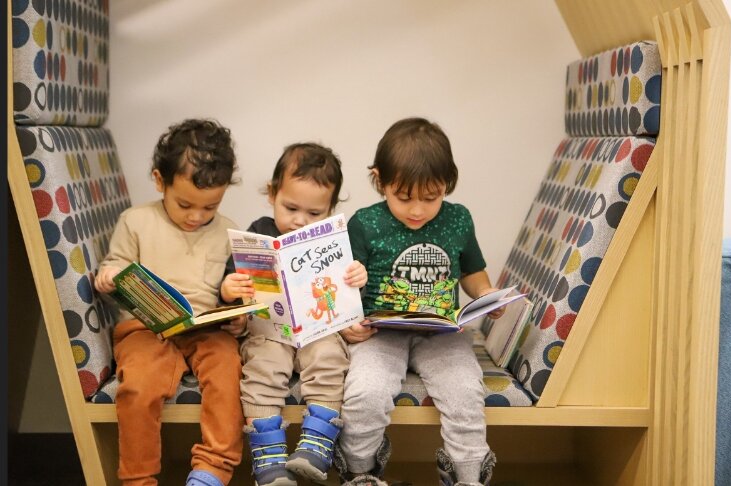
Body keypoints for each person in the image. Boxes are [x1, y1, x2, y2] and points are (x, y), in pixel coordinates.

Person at [334, 117, 503, 486]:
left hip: (442, 334)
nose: (417, 210)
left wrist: (488, 296)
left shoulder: (458, 219)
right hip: (379, 334)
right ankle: (360, 471)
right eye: (403, 197)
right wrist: (348, 323)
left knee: (465, 390)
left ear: (448, 183)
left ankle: (468, 474)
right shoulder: (365, 223)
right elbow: (344, 289)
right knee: (365, 392)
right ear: (380, 180)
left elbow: (473, 275)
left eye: (431, 197)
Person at [94, 119, 245, 486]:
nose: (197, 216)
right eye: (185, 204)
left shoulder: (227, 230)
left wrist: (237, 314)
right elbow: (113, 265)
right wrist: (109, 275)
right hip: (146, 327)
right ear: (160, 181)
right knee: (138, 387)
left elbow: (233, 291)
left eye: (210, 207)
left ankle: (213, 468)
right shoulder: (136, 221)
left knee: (229, 372)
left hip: (205, 328)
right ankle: (139, 477)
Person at [219, 143, 368, 486]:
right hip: (269, 328)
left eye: (315, 213)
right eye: (290, 207)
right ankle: (268, 459)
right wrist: (230, 290)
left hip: (319, 327)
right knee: (262, 367)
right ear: (272, 193)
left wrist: (356, 277)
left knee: (330, 357)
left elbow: (348, 295)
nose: (300, 220)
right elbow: (232, 286)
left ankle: (317, 445)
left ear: (331, 209)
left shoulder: (334, 240)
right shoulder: (258, 231)